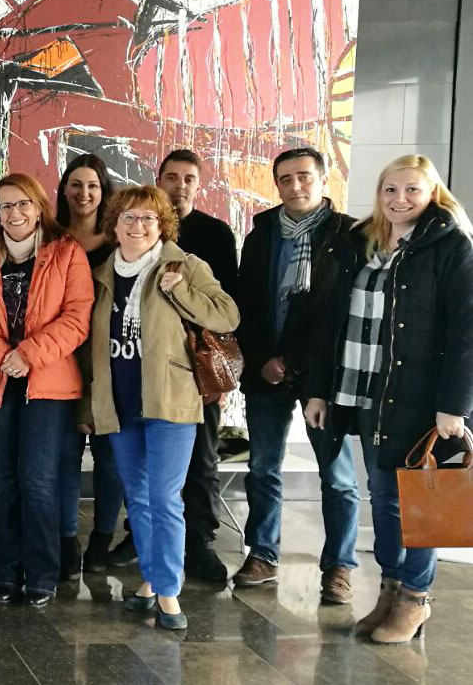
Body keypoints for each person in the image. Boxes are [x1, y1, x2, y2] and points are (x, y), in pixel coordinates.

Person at [303, 155, 473, 644]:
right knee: (383, 497)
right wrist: (318, 389)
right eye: (390, 189)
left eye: (412, 190)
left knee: (420, 500)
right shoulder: (361, 242)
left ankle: (415, 598)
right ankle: (391, 588)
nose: (400, 199)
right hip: (364, 392)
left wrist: (455, 404)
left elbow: (466, 330)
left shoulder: (451, 246)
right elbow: (330, 320)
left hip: (421, 397)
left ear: (433, 193)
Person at [81, 185, 239, 631]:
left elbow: (227, 315)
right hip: (120, 400)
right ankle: (151, 580)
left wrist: (181, 292)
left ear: (162, 225)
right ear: (114, 225)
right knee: (138, 497)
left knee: (165, 498)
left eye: (148, 218)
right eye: (128, 218)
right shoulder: (101, 274)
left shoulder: (185, 266)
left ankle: (168, 591)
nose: (138, 226)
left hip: (170, 399)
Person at [0, 174, 92, 607]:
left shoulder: (66, 251)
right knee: (3, 480)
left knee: (38, 480)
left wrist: (28, 354)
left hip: (47, 384)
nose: (15, 213)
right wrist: (1, 354)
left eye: (23, 204)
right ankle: (6, 574)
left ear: (38, 207)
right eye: (6, 206)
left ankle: (43, 575)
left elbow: (77, 317)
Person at [231, 147, 360, 603]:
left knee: (337, 475)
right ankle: (263, 554)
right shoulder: (262, 234)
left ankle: (339, 566)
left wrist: (305, 365)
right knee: (262, 466)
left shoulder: (350, 237)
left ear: (324, 180)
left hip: (324, 374)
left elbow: (343, 315)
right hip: (267, 369)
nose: (295, 186)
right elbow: (245, 304)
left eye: (304, 176)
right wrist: (261, 357)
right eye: (285, 179)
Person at [154, 149, 240, 584]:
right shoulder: (141, 228)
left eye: (188, 178)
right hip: (152, 362)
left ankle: (201, 541)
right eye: (172, 177)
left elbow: (226, 308)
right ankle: (143, 536)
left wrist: (220, 372)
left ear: (198, 184)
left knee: (202, 458)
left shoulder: (215, 234)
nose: (180, 185)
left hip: (198, 363)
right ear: (159, 181)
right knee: (150, 456)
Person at [53, 153, 131, 575]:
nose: (84, 193)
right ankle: (67, 539)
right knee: (65, 457)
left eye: (93, 186)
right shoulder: (49, 237)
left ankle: (102, 537)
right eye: (76, 184)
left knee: (110, 457)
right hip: (60, 359)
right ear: (64, 189)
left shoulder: (120, 241)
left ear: (104, 192)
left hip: (110, 360)